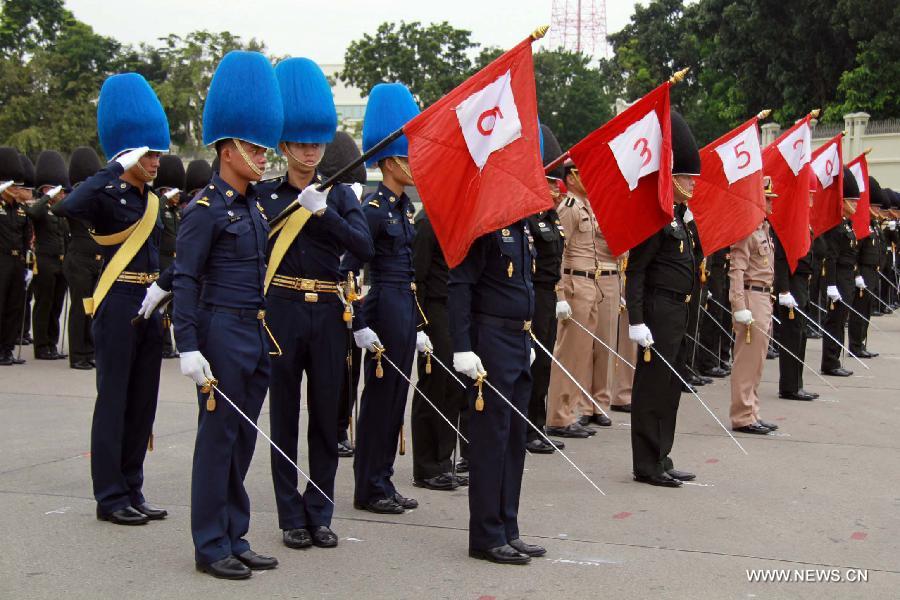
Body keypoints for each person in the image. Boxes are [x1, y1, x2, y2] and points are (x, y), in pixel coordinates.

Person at [172, 51, 283, 580]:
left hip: (253, 330)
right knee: (217, 440)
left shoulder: (254, 207)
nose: (262, 155)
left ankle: (235, 533)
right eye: (254, 146)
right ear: (228, 147)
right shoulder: (204, 209)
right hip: (218, 329)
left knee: (242, 439)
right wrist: (187, 344)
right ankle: (210, 543)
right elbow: (186, 279)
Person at [258, 57, 374, 550]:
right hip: (281, 310)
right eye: (301, 144)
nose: (310, 152)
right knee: (284, 417)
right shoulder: (265, 196)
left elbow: (366, 248)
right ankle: (290, 516)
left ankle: (320, 510)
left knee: (328, 416)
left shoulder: (340, 196)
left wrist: (323, 212)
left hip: (328, 311)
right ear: (284, 145)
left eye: (316, 144)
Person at [54, 73, 171, 525]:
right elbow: (69, 208)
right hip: (117, 299)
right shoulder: (107, 192)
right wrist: (114, 165)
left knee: (143, 402)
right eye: (149, 154)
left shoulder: (155, 202)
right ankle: (110, 496)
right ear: (130, 155)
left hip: (149, 302)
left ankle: (133, 487)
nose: (156, 161)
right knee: (114, 400)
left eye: (158, 153)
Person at [341, 83, 428, 515]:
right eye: (410, 157)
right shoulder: (373, 210)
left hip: (403, 307)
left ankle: (384, 479)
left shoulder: (402, 208)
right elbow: (347, 270)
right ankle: (368, 486)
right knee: (377, 401)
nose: (417, 165)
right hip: (381, 304)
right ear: (391, 161)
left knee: (395, 397)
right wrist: (358, 322)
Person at [449, 217, 545, 565]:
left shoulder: (522, 229)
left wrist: (527, 338)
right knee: (491, 440)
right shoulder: (484, 225)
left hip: (518, 339)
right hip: (491, 340)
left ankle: (508, 527)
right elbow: (460, 284)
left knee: (514, 440)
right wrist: (462, 346)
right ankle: (486, 536)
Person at [625, 111, 701, 488]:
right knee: (653, 387)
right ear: (671, 177)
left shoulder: (683, 218)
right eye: (688, 176)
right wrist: (636, 320)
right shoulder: (656, 218)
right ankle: (646, 462)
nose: (693, 183)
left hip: (679, 310)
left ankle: (662, 454)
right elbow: (636, 270)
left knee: (670, 387)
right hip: (658, 309)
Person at [411, 208, 469, 484]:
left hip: (454, 309)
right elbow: (417, 277)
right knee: (435, 385)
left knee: (454, 388)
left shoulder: (455, 219)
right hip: (434, 309)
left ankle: (444, 461)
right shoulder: (427, 221)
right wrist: (419, 325)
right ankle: (426, 466)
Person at [524, 124, 566, 454]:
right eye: (551, 182)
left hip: (549, 294)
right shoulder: (528, 219)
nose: (556, 189)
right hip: (534, 294)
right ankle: (526, 427)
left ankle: (537, 424)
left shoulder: (551, 218)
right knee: (533, 363)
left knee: (546, 362)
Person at [728, 177, 779, 434]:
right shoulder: (746, 230)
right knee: (747, 360)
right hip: (750, 297)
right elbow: (736, 270)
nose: (771, 203)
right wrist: (739, 305)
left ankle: (752, 411)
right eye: (768, 198)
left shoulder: (763, 229)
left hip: (764, 298)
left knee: (757, 360)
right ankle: (742, 415)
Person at [54, 147, 104, 370]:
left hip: (96, 259)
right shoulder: (74, 198)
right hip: (79, 259)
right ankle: (77, 354)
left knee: (92, 307)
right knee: (79, 308)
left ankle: (90, 349)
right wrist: (79, 191)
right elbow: (58, 209)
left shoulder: (97, 197)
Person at [774, 181, 819, 401]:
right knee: (792, 335)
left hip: (802, 283)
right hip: (792, 283)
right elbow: (781, 258)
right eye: (808, 195)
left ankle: (797, 383)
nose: (811, 200)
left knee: (800, 335)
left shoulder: (803, 222)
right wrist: (783, 290)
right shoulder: (789, 222)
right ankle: (790, 386)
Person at [820, 169, 861, 377]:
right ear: (842, 201)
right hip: (838, 277)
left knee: (841, 319)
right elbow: (832, 257)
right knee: (834, 320)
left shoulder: (846, 224)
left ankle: (836, 359)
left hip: (847, 278)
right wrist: (831, 284)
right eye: (852, 201)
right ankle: (830, 361)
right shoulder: (836, 226)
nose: (855, 205)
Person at [0, 147, 31, 366]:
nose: (16, 189)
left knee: (14, 306)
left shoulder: (20, 210)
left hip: (16, 260)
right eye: (11, 185)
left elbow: (26, 235)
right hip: (0, 260)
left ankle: (7, 348)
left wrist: (26, 263)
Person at [848, 176, 885, 358]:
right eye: (875, 206)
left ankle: (861, 342)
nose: (878, 210)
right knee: (859, 310)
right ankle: (855, 344)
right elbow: (855, 252)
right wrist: (856, 274)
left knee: (867, 310)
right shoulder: (862, 227)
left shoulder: (874, 225)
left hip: (873, 271)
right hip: (863, 271)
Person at [153, 154, 184, 359]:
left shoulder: (176, 212)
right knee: (163, 305)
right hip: (162, 259)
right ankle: (163, 343)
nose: (179, 196)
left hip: (175, 259)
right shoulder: (157, 205)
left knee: (175, 305)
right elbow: (156, 223)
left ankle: (176, 342)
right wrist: (163, 199)